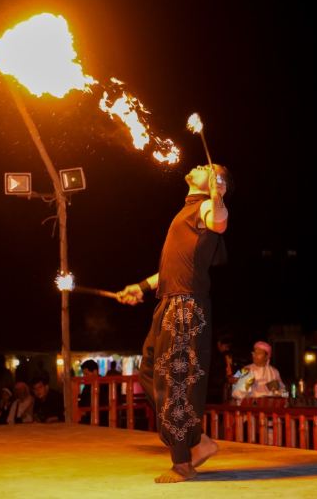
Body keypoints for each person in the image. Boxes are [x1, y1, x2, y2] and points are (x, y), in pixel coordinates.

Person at [117, 163, 231, 483]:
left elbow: (220, 222)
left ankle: (183, 461)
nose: (199, 166)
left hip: (186, 307)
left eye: (208, 168)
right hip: (168, 300)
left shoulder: (208, 206)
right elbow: (173, 268)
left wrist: (218, 195)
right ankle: (197, 440)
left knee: (176, 380)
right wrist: (140, 287)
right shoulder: (186, 211)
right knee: (151, 372)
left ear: (214, 183)